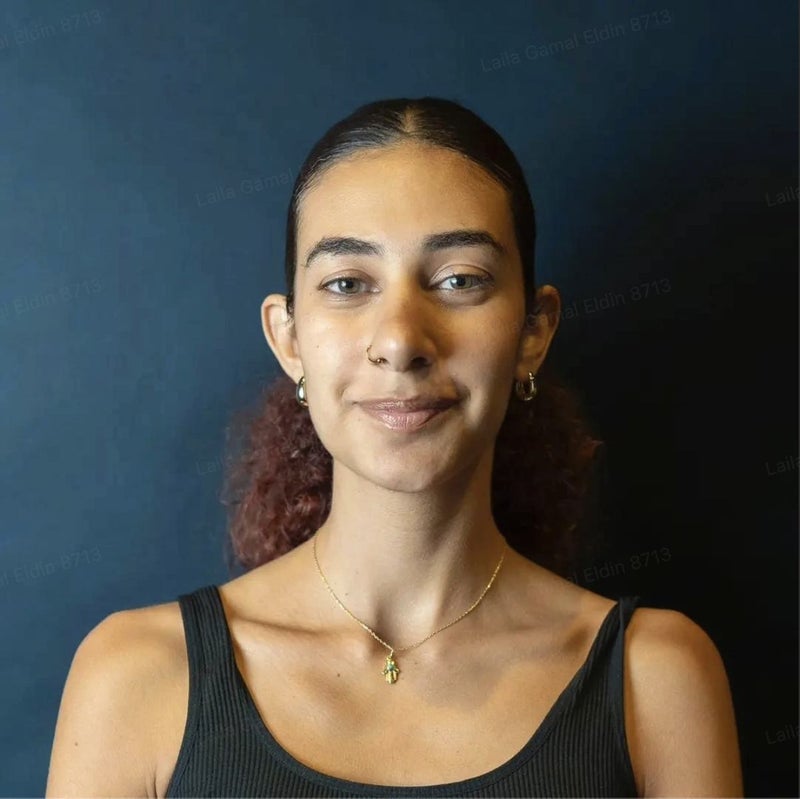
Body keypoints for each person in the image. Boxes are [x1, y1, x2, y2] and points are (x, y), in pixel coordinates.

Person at [46, 97, 743, 798]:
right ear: (289, 339)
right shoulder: (136, 677)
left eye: (459, 280)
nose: (402, 340)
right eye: (348, 284)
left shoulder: (656, 678)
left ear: (533, 331)